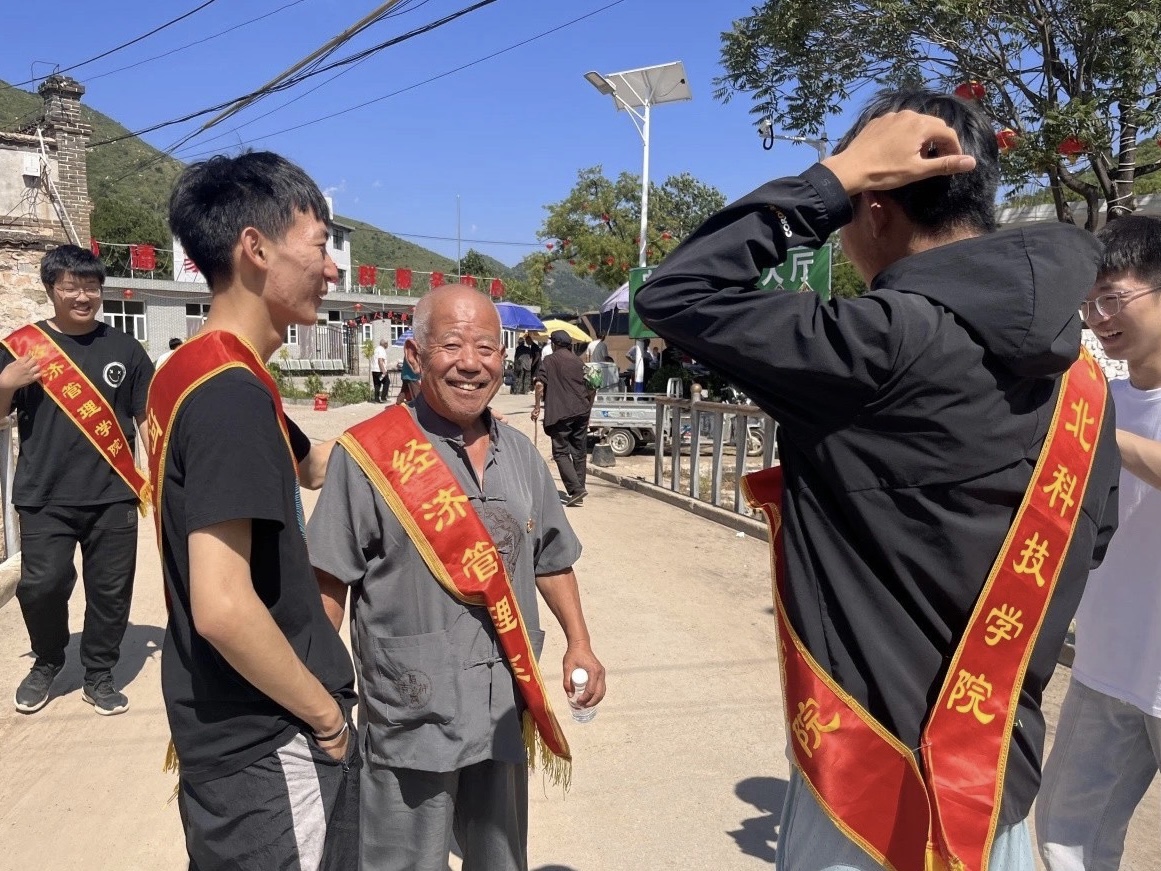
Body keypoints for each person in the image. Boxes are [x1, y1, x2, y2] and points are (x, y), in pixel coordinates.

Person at [636, 90, 1119, 871]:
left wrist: (829, 177)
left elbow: (676, 295)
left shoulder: (879, 342)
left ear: (875, 208)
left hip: (868, 791)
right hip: (996, 783)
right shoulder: (1081, 380)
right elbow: (1091, 544)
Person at [307, 283, 605, 871]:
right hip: (410, 714)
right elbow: (328, 580)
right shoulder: (368, 456)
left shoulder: (520, 453)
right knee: (402, 862)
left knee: (501, 859)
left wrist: (580, 641)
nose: (471, 363)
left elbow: (550, 556)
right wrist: (316, 692)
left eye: (488, 348)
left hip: (500, 707)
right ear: (415, 357)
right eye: (451, 345)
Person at [151, 150, 358, 869]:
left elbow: (311, 462)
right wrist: (327, 718)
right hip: (266, 737)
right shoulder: (231, 398)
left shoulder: (196, 369)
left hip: (224, 723)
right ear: (255, 249)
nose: (331, 269)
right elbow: (222, 606)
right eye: (320, 244)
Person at [1036, 214, 1161, 870]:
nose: (1099, 316)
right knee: (1066, 840)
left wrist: (1100, 432)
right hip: (1105, 666)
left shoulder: (1099, 415)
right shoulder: (1098, 396)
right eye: (1089, 302)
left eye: (1114, 296)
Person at [0, 244, 153, 716]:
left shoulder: (125, 349)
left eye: (91, 286)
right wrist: (7, 384)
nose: (82, 295)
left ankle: (99, 673)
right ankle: (47, 660)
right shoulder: (21, 347)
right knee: (42, 585)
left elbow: (145, 417)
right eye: (70, 286)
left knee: (111, 590)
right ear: (51, 290)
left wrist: (160, 476)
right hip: (43, 493)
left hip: (112, 494)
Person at [533, 330, 596, 507]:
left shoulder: (549, 361)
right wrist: (588, 408)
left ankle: (575, 490)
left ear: (554, 344)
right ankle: (579, 489)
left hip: (561, 412)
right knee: (579, 451)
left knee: (560, 452)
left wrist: (537, 408)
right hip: (582, 410)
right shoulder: (579, 361)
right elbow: (592, 387)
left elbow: (539, 386)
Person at [373, 337, 390, 403]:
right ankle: (383, 398)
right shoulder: (382, 350)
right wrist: (384, 371)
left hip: (374, 370)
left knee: (377, 384)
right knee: (386, 382)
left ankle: (376, 399)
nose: (387, 345)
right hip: (380, 371)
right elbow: (380, 361)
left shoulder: (376, 349)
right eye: (387, 344)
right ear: (385, 344)